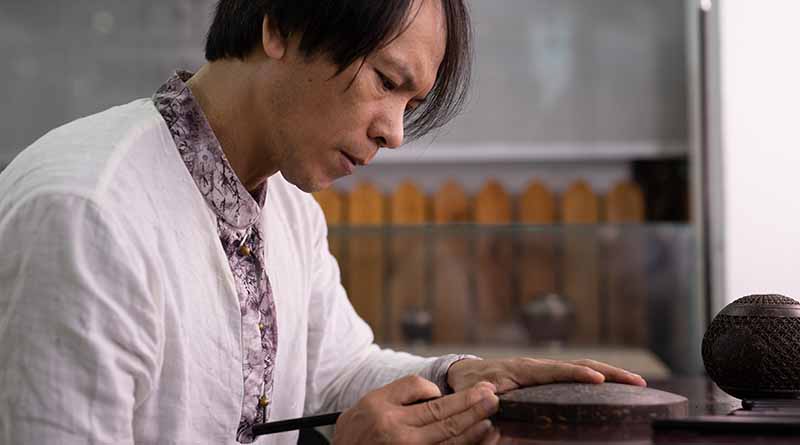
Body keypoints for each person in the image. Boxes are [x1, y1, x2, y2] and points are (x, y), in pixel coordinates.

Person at [0, 0, 646, 443]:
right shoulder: (89, 212)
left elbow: (334, 370)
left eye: (411, 103)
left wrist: (457, 378)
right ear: (280, 28)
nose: (393, 131)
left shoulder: (288, 210)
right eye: (386, 81)